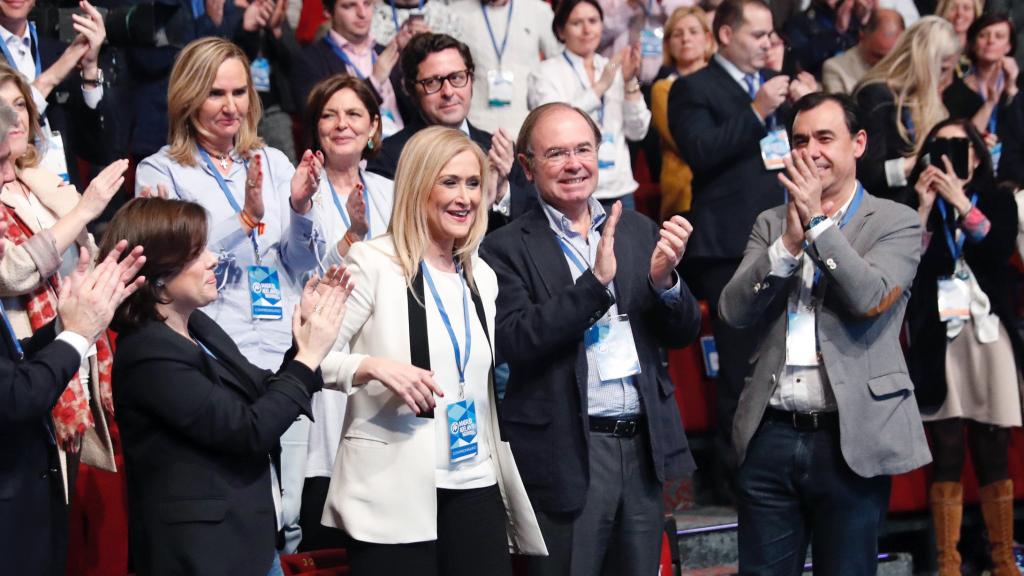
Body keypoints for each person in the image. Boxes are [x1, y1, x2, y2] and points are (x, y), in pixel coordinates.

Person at [480, 102, 701, 575]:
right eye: (556, 153)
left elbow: (682, 334)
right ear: (527, 166)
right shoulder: (505, 247)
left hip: (641, 448)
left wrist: (667, 284)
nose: (574, 163)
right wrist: (594, 288)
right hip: (567, 451)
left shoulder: (637, 229)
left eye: (583, 149)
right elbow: (515, 338)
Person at [317, 126, 546, 575]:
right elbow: (313, 360)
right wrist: (372, 367)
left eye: (474, 183)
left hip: (476, 481)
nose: (465, 197)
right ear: (419, 186)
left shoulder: (483, 275)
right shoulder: (372, 263)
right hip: (392, 490)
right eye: (450, 182)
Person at [720, 92, 931, 575]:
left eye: (824, 138)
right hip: (769, 434)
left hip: (849, 437)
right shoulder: (771, 223)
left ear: (857, 144)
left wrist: (816, 224)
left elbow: (868, 297)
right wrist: (788, 244)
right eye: (799, 140)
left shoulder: (895, 221)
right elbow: (733, 311)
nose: (810, 150)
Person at [133, 36, 324, 554]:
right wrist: (243, 219)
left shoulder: (273, 161)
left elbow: (303, 263)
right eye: (216, 93)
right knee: (249, 507)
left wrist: (302, 211)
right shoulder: (160, 171)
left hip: (283, 347)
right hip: (219, 353)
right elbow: (167, 260)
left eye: (240, 92)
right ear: (189, 96)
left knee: (291, 515)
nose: (231, 106)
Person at [104, 197, 350, 576]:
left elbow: (260, 390)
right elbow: (247, 430)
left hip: (245, 541)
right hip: (202, 555)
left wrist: (302, 345)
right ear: (159, 273)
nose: (213, 259)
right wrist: (308, 359)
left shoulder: (199, 327)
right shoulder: (147, 353)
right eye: (197, 253)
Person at [668, 0, 814, 501]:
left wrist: (807, 104)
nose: (767, 43)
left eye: (772, 34)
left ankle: (793, 467)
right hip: (729, 244)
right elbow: (701, 152)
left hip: (792, 233)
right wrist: (758, 111)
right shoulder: (692, 87)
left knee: (792, 355)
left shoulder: (780, 86)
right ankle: (739, 478)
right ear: (725, 33)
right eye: (757, 34)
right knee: (740, 364)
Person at [0, 95, 145, 576]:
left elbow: (88, 252)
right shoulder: (73, 203)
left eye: (20, 104)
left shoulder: (39, 184)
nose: (13, 117)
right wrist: (84, 210)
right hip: (30, 367)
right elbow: (15, 273)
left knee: (88, 529)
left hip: (78, 351)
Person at [906, 118, 1021, 576]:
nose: (950, 153)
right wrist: (924, 206)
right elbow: (909, 262)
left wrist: (959, 201)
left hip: (987, 331)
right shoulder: (918, 202)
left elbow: (996, 249)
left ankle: (1002, 557)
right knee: (948, 445)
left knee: (994, 442)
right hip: (941, 336)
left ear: (976, 153)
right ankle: (947, 562)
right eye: (939, 146)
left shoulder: (998, 196)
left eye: (959, 145)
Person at [297, 74, 395, 551]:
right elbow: (303, 279)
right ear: (315, 127)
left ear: (373, 125)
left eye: (354, 114)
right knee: (328, 506)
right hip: (326, 355)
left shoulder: (392, 191)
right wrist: (352, 235)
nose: (342, 124)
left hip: (387, 350)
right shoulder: (299, 193)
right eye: (329, 115)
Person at [366, 32, 534, 229]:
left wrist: (501, 192)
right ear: (411, 90)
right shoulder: (389, 156)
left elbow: (532, 225)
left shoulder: (498, 149)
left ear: (471, 80)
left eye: (456, 78)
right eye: (433, 82)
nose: (448, 92)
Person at [527, 0, 650, 211]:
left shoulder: (612, 67)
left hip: (619, 189)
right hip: (571, 189)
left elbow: (637, 131)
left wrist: (630, 81)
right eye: (577, 23)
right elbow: (552, 127)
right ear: (560, 30)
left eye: (593, 21)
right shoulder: (546, 72)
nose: (587, 30)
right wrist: (601, 86)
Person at [0, 0, 114, 187]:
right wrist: (52, 77)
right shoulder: (66, 58)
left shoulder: (57, 51)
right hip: (10, 198)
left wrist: (90, 70)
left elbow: (98, 150)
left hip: (64, 195)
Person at [854, 16, 960, 205]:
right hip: (883, 214)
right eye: (943, 69)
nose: (948, 80)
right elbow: (866, 173)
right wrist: (914, 164)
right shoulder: (875, 95)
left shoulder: (928, 100)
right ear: (925, 63)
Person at [290, 0, 409, 138]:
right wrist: (374, 81)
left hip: (405, 147)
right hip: (354, 153)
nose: (362, 13)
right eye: (350, 6)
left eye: (367, 4)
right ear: (328, 11)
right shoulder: (309, 60)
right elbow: (316, 116)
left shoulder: (386, 52)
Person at [451, 0, 562, 138]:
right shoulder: (455, 12)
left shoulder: (538, 10)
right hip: (475, 122)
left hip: (526, 122)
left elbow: (558, 61)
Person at [651, 6, 715, 219]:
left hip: (728, 188)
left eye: (693, 32)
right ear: (668, 44)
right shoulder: (663, 88)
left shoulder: (724, 81)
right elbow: (685, 143)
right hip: (683, 194)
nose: (685, 39)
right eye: (677, 34)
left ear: (707, 38)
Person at [942, 14, 1018, 177]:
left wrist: (1012, 88)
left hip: (1013, 172)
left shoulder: (1019, 85)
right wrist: (990, 103)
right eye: (984, 35)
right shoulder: (956, 89)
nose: (991, 41)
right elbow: (958, 139)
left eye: (999, 36)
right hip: (972, 172)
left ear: (1009, 46)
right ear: (973, 43)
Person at [821, 8, 904, 95]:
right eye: (878, 56)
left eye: (892, 55)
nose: (885, 62)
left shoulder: (908, 67)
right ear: (862, 37)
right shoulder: (835, 69)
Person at [782, 0, 870, 78]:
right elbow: (799, 61)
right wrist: (837, 30)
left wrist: (867, 21)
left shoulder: (856, 25)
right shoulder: (799, 23)